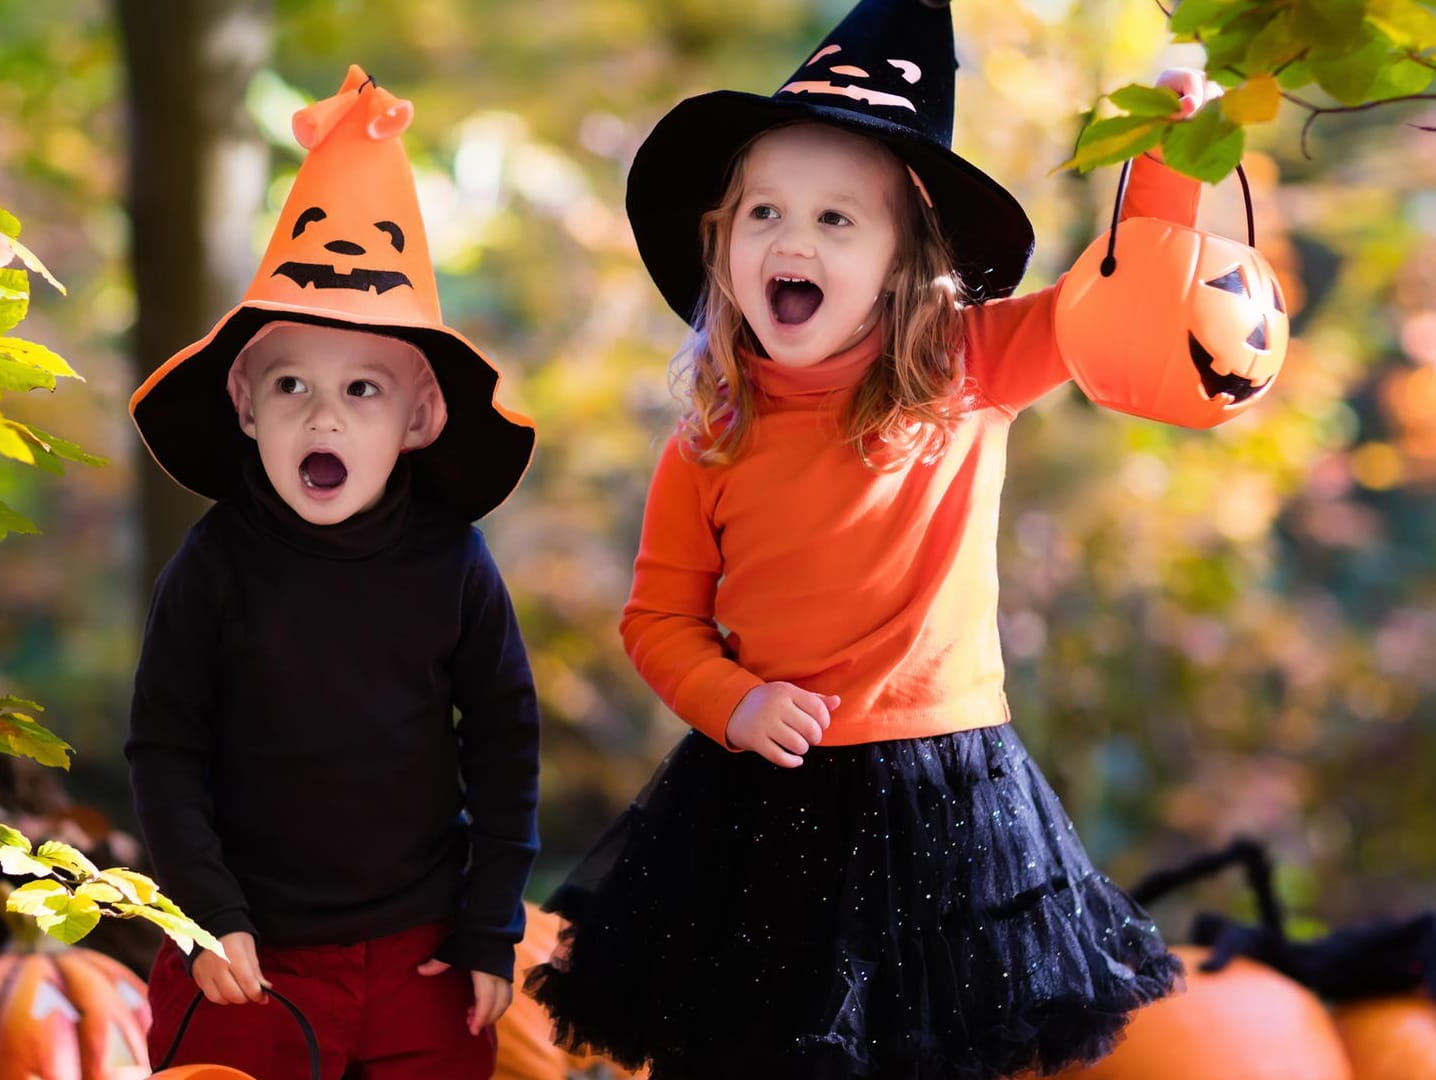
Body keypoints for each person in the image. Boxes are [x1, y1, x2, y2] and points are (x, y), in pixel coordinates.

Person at [527, 2, 1215, 1077]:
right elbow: (657, 618)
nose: (792, 240)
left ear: (906, 258)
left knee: (931, 1054)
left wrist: (1178, 146)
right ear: (721, 241)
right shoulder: (711, 441)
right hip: (765, 801)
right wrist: (735, 701)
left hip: (949, 803)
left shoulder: (968, 368)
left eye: (837, 220)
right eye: (764, 213)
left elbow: (1124, 294)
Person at [125, 65, 540, 1079]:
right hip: (250, 956)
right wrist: (208, 912)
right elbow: (164, 748)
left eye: (362, 388)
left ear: (419, 418)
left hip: (422, 955)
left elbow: (502, 738)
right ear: (244, 402)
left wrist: (489, 925)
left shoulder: (453, 561)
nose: (323, 415)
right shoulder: (217, 563)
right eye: (291, 384)